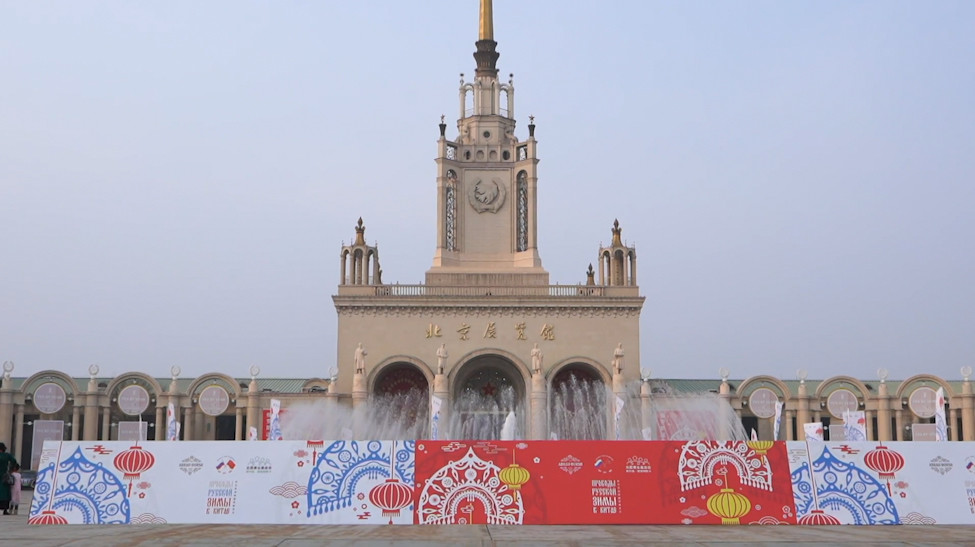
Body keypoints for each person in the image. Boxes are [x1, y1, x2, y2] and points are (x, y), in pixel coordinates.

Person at [0, 442, 18, 515]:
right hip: (4, 477)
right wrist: (11, 469)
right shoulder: (7, 455)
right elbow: (14, 461)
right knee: (5, 493)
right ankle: (5, 510)